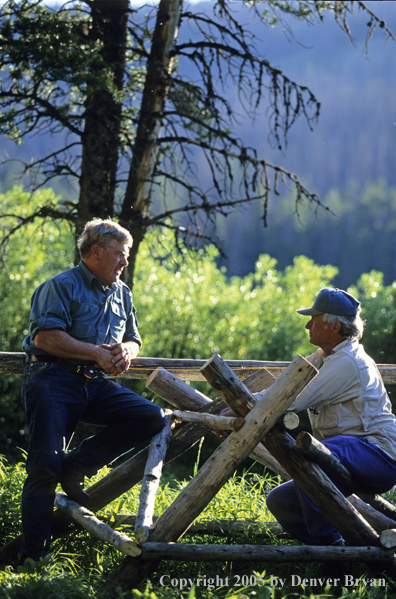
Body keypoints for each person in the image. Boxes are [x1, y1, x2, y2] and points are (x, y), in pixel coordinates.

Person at [20, 218, 165, 562]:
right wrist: (99, 353)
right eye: (119, 254)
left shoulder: (122, 292)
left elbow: (134, 337)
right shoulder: (60, 286)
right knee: (44, 468)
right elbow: (46, 338)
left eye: (126, 256)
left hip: (93, 384)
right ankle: (32, 557)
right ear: (96, 252)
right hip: (52, 379)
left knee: (149, 416)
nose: (125, 262)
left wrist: (127, 350)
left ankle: (75, 466)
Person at [266, 287, 396, 545]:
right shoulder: (325, 356)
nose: (307, 325)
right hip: (347, 456)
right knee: (280, 500)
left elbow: (293, 399)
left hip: (380, 458)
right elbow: (283, 389)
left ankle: (332, 550)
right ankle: (337, 548)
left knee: (314, 450)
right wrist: (241, 405)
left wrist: (243, 407)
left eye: (313, 320)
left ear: (334, 326)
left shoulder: (347, 361)